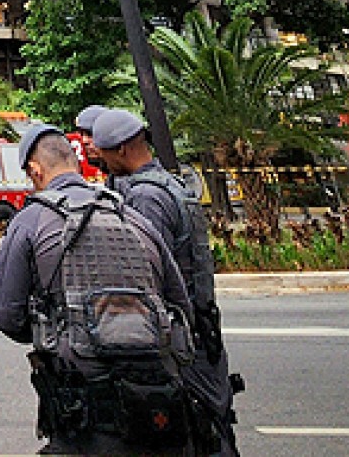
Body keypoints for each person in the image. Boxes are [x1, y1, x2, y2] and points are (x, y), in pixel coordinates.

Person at [0, 123, 199, 456]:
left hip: (85, 418)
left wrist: (54, 327)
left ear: (35, 170)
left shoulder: (31, 221)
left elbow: (6, 315)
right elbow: (180, 307)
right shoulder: (131, 216)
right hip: (158, 405)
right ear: (75, 161)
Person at [89, 108, 242, 457]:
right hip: (201, 330)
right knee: (211, 424)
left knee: (196, 432)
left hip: (182, 339)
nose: (102, 160)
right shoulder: (169, 183)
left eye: (105, 154)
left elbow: (146, 275)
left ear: (124, 150)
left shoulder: (146, 197)